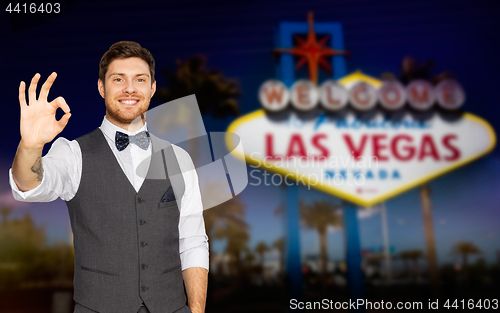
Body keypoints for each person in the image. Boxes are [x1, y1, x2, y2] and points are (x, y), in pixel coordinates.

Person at [9, 41, 208, 313]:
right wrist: (30, 146)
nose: (130, 88)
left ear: (152, 88)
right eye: (118, 79)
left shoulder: (180, 159)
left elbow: (193, 241)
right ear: (102, 87)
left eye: (140, 79)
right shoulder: (73, 154)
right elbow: (29, 184)